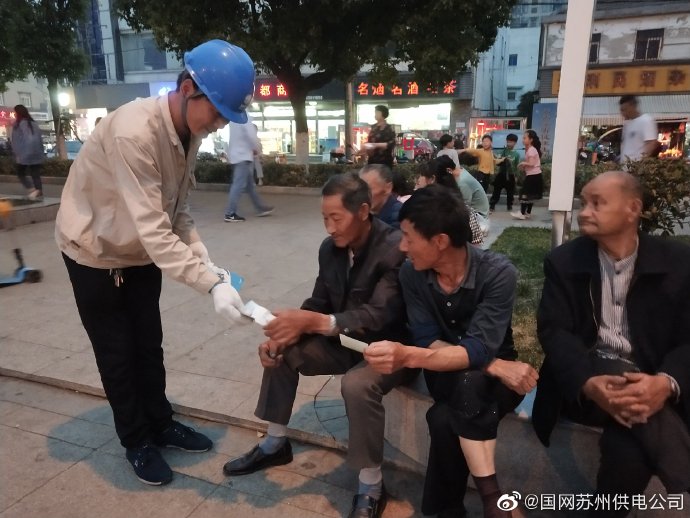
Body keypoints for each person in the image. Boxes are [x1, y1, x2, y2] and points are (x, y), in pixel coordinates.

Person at [55, 40, 254, 486]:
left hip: (139, 250)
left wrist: (205, 259)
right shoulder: (133, 133)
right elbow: (155, 230)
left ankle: (161, 424)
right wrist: (210, 284)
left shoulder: (189, 131)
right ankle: (137, 441)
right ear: (187, 89)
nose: (220, 124)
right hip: (95, 251)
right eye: (218, 112)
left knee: (149, 344)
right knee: (118, 354)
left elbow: (176, 210)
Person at [223, 173, 414, 518]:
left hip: (387, 348)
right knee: (283, 351)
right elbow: (318, 301)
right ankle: (275, 443)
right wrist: (285, 333)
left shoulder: (394, 248)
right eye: (324, 218)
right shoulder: (330, 249)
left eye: (336, 218)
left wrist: (314, 322)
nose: (329, 227)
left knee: (357, 384)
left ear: (363, 211)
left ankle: (371, 484)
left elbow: (379, 314)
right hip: (343, 341)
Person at [364, 185, 538, 518]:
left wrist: (408, 355)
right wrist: (495, 364)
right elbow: (427, 338)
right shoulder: (412, 273)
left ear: (440, 241)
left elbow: (479, 347)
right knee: (466, 381)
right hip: (451, 374)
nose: (402, 247)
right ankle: (494, 502)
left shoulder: (497, 273)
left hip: (500, 385)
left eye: (408, 238)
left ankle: (450, 510)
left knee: (444, 416)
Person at [533, 171, 690, 514]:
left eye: (597, 203)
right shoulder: (564, 262)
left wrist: (666, 383)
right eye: (584, 202)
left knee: (628, 453)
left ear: (632, 209)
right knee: (616, 369)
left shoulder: (678, 263)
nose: (585, 212)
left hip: (653, 386)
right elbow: (554, 331)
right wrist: (587, 383)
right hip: (587, 385)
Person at [415, 159, 484, 247]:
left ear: (432, 179)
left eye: (420, 176)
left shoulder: (425, 210)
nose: (417, 181)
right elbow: (477, 243)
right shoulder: (464, 208)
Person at [224, 114, 273, 221]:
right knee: (238, 185)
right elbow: (251, 135)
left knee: (250, 186)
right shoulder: (244, 116)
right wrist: (257, 149)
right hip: (243, 156)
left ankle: (260, 208)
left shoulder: (234, 117)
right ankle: (230, 213)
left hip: (237, 155)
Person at [436, 155, 490, 236]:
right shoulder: (460, 172)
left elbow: (463, 208)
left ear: (448, 170)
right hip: (476, 214)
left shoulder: (462, 182)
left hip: (480, 219)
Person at [11, 104, 45, 201]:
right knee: (35, 174)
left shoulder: (21, 124)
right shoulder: (33, 123)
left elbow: (26, 140)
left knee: (20, 173)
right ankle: (39, 191)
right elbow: (39, 139)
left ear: (18, 113)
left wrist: (22, 153)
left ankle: (32, 189)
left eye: (15, 112)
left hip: (25, 153)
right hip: (37, 153)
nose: (14, 114)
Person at [358, 164, 402, 229]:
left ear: (388, 188)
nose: (362, 195)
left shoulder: (399, 216)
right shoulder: (363, 213)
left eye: (368, 189)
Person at [511, 130, 543, 221]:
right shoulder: (530, 149)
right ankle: (527, 213)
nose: (523, 140)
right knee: (530, 195)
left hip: (533, 176)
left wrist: (522, 163)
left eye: (525, 138)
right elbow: (532, 163)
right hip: (535, 175)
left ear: (531, 140)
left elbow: (532, 163)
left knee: (525, 194)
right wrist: (524, 166)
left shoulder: (531, 150)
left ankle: (522, 213)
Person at [619, 95, 659, 162]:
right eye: (621, 110)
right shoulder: (627, 124)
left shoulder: (646, 120)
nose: (622, 113)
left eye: (625, 109)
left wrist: (640, 163)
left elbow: (651, 143)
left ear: (633, 106)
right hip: (625, 166)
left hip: (636, 166)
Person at [489, 133, 519, 213]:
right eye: (508, 142)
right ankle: (492, 205)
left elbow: (516, 167)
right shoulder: (503, 151)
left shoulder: (516, 154)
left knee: (510, 192)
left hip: (511, 175)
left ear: (515, 143)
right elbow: (498, 160)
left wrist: (516, 176)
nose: (509, 143)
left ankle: (509, 206)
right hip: (501, 174)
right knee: (496, 190)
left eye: (511, 142)